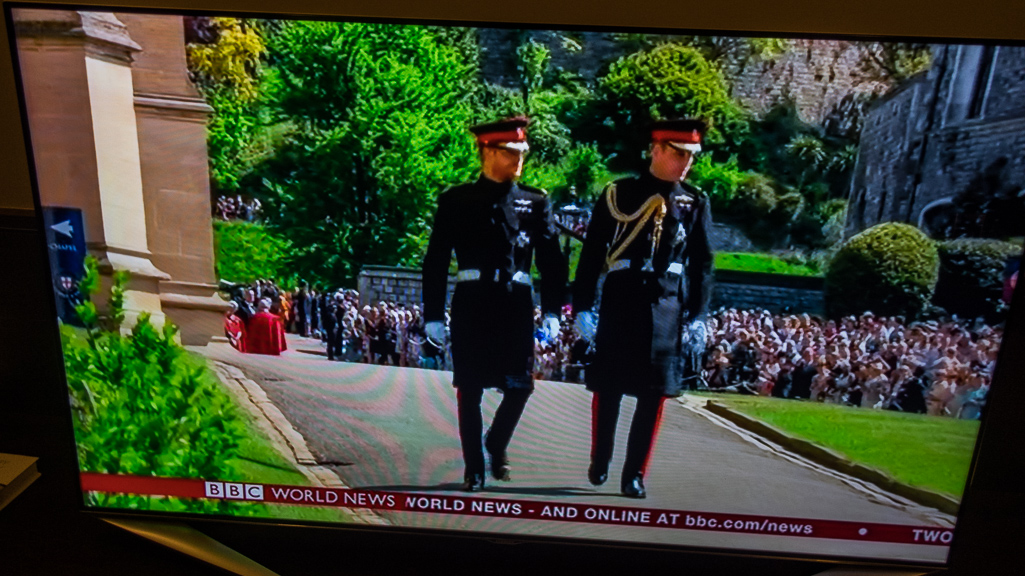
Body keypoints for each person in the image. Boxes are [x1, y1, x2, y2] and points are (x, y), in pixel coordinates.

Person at [422, 116, 568, 492]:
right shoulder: (457, 200)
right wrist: (433, 315)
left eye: (523, 151)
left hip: (515, 302)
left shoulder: (534, 202)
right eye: (511, 152)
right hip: (472, 300)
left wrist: (553, 310)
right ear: (487, 151)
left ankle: (496, 443)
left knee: (520, 386)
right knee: (469, 388)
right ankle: (474, 468)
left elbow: (552, 261)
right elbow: (436, 260)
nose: (520, 159)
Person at [573, 119, 713, 498]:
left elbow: (702, 263)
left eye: (691, 156)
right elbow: (592, 253)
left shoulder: (694, 200)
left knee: (653, 394)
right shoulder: (620, 193)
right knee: (611, 386)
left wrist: (699, 315)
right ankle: (601, 456)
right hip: (623, 295)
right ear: (656, 149)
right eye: (678, 153)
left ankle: (634, 473)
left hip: (666, 302)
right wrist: (583, 306)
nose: (686, 163)